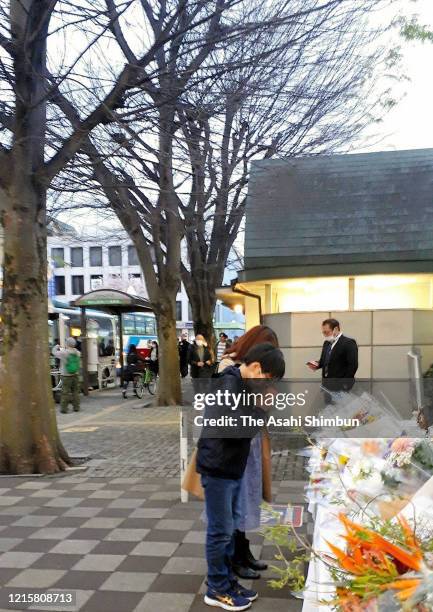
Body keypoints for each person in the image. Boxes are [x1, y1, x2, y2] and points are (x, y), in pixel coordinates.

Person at [197, 343, 285, 610]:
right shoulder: (229, 385)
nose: (267, 385)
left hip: (229, 467)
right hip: (218, 469)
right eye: (268, 379)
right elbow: (236, 429)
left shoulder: (239, 383)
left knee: (228, 529)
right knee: (220, 532)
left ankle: (226, 582)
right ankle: (217, 588)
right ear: (257, 367)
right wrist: (261, 410)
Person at [218, 325, 279, 579]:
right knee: (235, 501)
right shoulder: (228, 367)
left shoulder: (250, 367)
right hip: (232, 446)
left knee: (247, 497)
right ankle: (233, 560)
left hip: (251, 439)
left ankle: (243, 552)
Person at [307, 318, 358, 392]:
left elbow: (353, 365)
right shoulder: (326, 343)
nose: (325, 335)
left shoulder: (349, 343)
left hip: (341, 387)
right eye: (323, 333)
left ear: (336, 329)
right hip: (326, 386)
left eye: (327, 332)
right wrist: (317, 364)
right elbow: (324, 360)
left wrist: (345, 384)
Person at [52, 337, 81, 414]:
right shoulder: (77, 352)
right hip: (75, 374)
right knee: (75, 392)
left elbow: (54, 352)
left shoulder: (64, 353)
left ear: (67, 343)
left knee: (65, 392)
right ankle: (76, 407)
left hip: (66, 375)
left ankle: (64, 409)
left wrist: (57, 346)